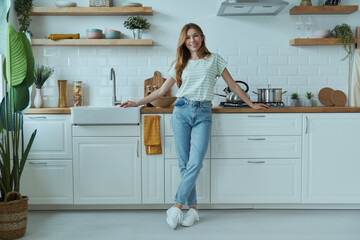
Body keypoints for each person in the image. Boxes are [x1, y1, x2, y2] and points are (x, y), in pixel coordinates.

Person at [120, 23, 269, 229]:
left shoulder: (214, 60)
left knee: (195, 163)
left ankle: (176, 205)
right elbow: (163, 91)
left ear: (202, 37)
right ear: (184, 41)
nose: (192, 40)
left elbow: (233, 85)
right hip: (181, 111)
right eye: (188, 37)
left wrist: (251, 103)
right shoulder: (179, 63)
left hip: (203, 113)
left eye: (196, 36)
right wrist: (137, 102)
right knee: (184, 164)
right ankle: (194, 210)